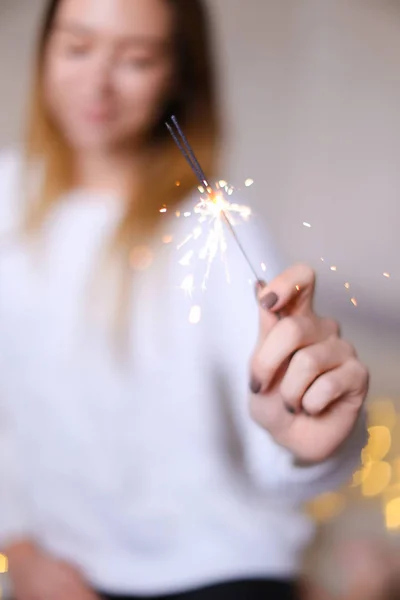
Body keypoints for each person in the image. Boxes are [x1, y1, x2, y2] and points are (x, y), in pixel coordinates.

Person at [0, 0, 369, 599]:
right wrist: (15, 542)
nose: (97, 83)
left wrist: (312, 440)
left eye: (137, 58)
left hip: (221, 573)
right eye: (76, 47)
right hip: (57, 572)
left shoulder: (216, 232)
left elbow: (284, 456)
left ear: (176, 74)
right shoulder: (6, 199)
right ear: (44, 47)